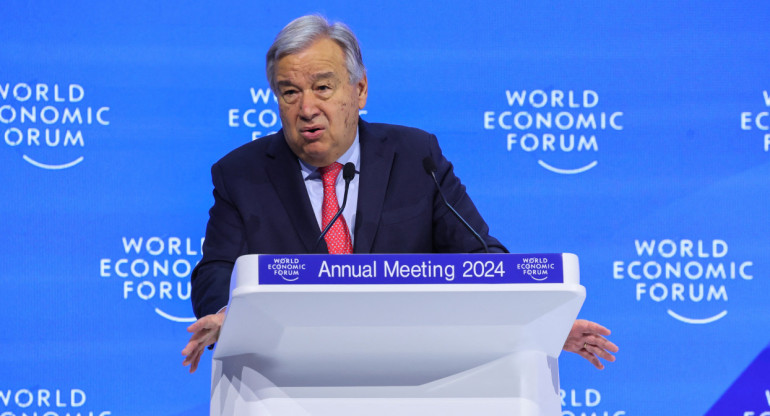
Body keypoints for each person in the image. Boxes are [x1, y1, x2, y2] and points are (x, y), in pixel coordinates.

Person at [182, 14, 618, 374]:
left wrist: (536, 324)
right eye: (289, 92)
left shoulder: (415, 157)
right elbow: (216, 269)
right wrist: (226, 315)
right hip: (288, 379)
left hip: (415, 376)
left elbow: (479, 255)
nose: (307, 109)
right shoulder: (242, 173)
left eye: (322, 87)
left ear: (360, 90)